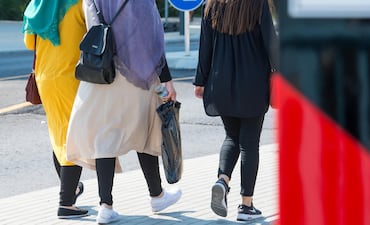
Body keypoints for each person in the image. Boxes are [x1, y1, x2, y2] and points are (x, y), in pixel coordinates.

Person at [66, 0, 182, 224]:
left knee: (104, 138)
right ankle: (156, 195)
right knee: (145, 130)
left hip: (102, 73)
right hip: (136, 74)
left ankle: (105, 206)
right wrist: (166, 80)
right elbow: (151, 41)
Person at [193, 0, 279, 221]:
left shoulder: (211, 5)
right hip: (253, 83)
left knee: (231, 136)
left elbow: (205, 47)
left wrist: (200, 81)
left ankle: (222, 180)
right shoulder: (256, 5)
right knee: (249, 143)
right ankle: (246, 205)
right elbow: (271, 43)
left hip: (220, 81)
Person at [22, 0, 88, 219]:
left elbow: (29, 42)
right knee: (72, 136)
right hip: (70, 76)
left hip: (44, 77)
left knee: (59, 132)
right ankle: (66, 203)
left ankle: (71, 188)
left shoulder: (36, 4)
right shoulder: (80, 3)